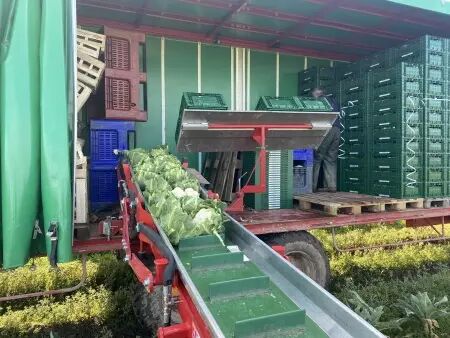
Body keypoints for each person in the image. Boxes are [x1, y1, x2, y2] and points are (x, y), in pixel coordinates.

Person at [312, 87, 340, 193]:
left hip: (327, 129)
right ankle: (331, 186)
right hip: (337, 130)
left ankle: (311, 187)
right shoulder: (333, 101)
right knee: (330, 159)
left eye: (314, 93)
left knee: (316, 157)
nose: (313, 95)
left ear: (318, 93)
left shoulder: (320, 101)